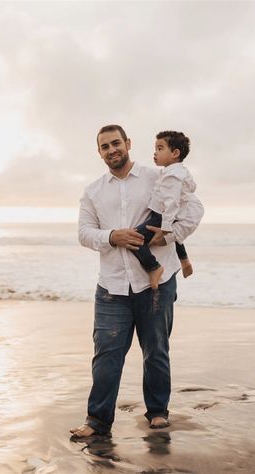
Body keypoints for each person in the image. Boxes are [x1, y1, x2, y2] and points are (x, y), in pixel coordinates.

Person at [70, 125, 204, 438]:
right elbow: (84, 233)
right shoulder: (93, 191)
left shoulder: (159, 176)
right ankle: (97, 421)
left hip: (156, 283)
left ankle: (157, 412)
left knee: (156, 350)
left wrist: (170, 235)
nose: (111, 149)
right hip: (112, 287)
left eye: (116, 143)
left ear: (128, 143)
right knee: (106, 355)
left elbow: (194, 207)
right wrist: (112, 236)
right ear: (99, 152)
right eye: (104, 146)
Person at [131, 130, 197, 289]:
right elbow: (191, 187)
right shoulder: (179, 171)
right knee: (176, 237)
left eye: (160, 149)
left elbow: (172, 202)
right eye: (155, 148)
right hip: (167, 216)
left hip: (161, 216)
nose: (155, 153)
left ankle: (154, 268)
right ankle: (184, 260)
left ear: (175, 153)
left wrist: (166, 227)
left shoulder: (172, 175)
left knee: (134, 239)